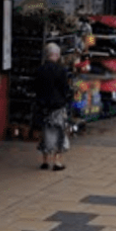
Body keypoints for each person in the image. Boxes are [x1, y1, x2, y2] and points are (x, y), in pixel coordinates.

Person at [35, 42, 72, 172]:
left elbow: (36, 88)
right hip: (58, 105)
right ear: (56, 55)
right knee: (59, 133)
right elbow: (65, 88)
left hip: (43, 106)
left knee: (45, 133)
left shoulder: (40, 70)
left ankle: (45, 161)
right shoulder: (61, 70)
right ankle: (57, 162)